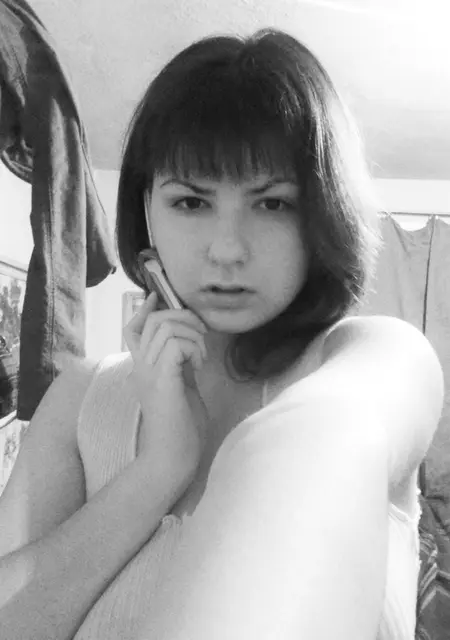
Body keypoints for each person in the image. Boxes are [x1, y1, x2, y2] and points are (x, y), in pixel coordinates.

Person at [0, 28, 444, 640]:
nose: (228, 249)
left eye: (273, 204)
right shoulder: (78, 395)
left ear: (323, 214)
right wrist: (158, 470)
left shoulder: (376, 357)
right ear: (146, 211)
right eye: (191, 202)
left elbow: (324, 437)